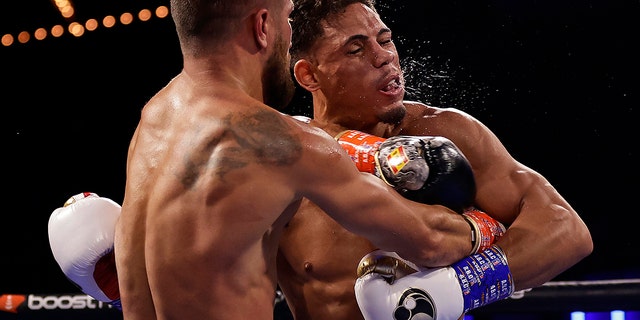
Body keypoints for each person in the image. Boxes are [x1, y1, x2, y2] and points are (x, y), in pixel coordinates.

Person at [47, 0, 511, 319]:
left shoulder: (154, 117)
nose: (291, 35)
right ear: (263, 26)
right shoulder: (283, 144)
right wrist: (483, 224)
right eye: (289, 18)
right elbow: (430, 242)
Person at [275, 0, 593, 319]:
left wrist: (449, 291)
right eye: (356, 50)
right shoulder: (284, 162)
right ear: (309, 75)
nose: (384, 56)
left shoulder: (444, 132)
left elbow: (566, 229)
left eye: (385, 40)